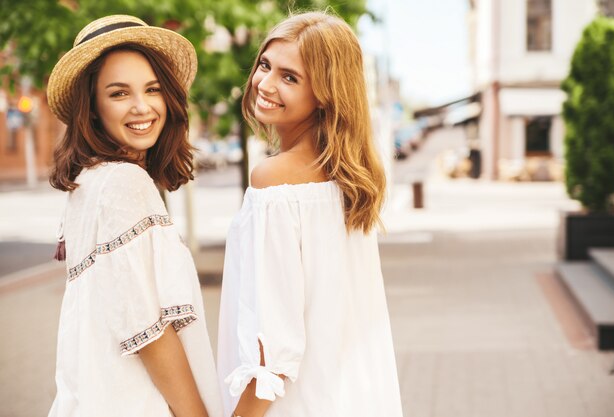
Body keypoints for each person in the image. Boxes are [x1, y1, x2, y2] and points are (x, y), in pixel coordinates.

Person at [217, 11, 404, 417]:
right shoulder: (353, 183)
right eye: (265, 65)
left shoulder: (275, 182)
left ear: (325, 93)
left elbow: (273, 356)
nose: (265, 84)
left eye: (290, 77)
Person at [46, 15, 222, 417]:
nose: (142, 107)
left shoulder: (88, 183)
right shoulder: (124, 183)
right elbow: (147, 330)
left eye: (153, 89)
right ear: (90, 108)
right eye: (119, 93)